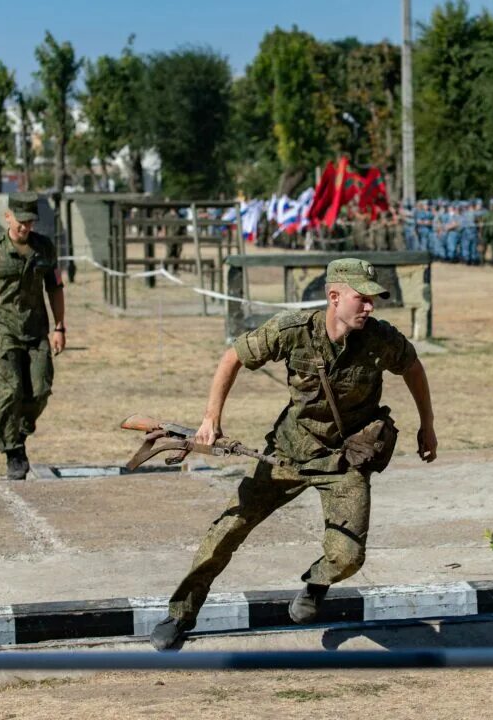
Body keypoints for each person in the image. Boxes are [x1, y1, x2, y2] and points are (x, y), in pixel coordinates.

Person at [149, 258, 438, 651]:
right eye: (362, 299)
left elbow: (413, 367)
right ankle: (179, 614)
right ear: (334, 297)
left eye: (373, 300)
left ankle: (316, 584)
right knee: (227, 530)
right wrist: (210, 419)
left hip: (343, 461)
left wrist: (427, 425)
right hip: (287, 453)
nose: (369, 307)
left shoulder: (381, 339)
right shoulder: (293, 330)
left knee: (349, 555)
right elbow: (233, 356)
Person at [0, 193, 66, 481]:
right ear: (8, 217)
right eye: (20, 221)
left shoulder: (44, 248)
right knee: (11, 391)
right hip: (3, 330)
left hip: (36, 330)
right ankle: (13, 451)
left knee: (41, 389)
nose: (25, 227)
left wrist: (60, 327)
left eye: (30, 222)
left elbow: (55, 288)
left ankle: (20, 429)